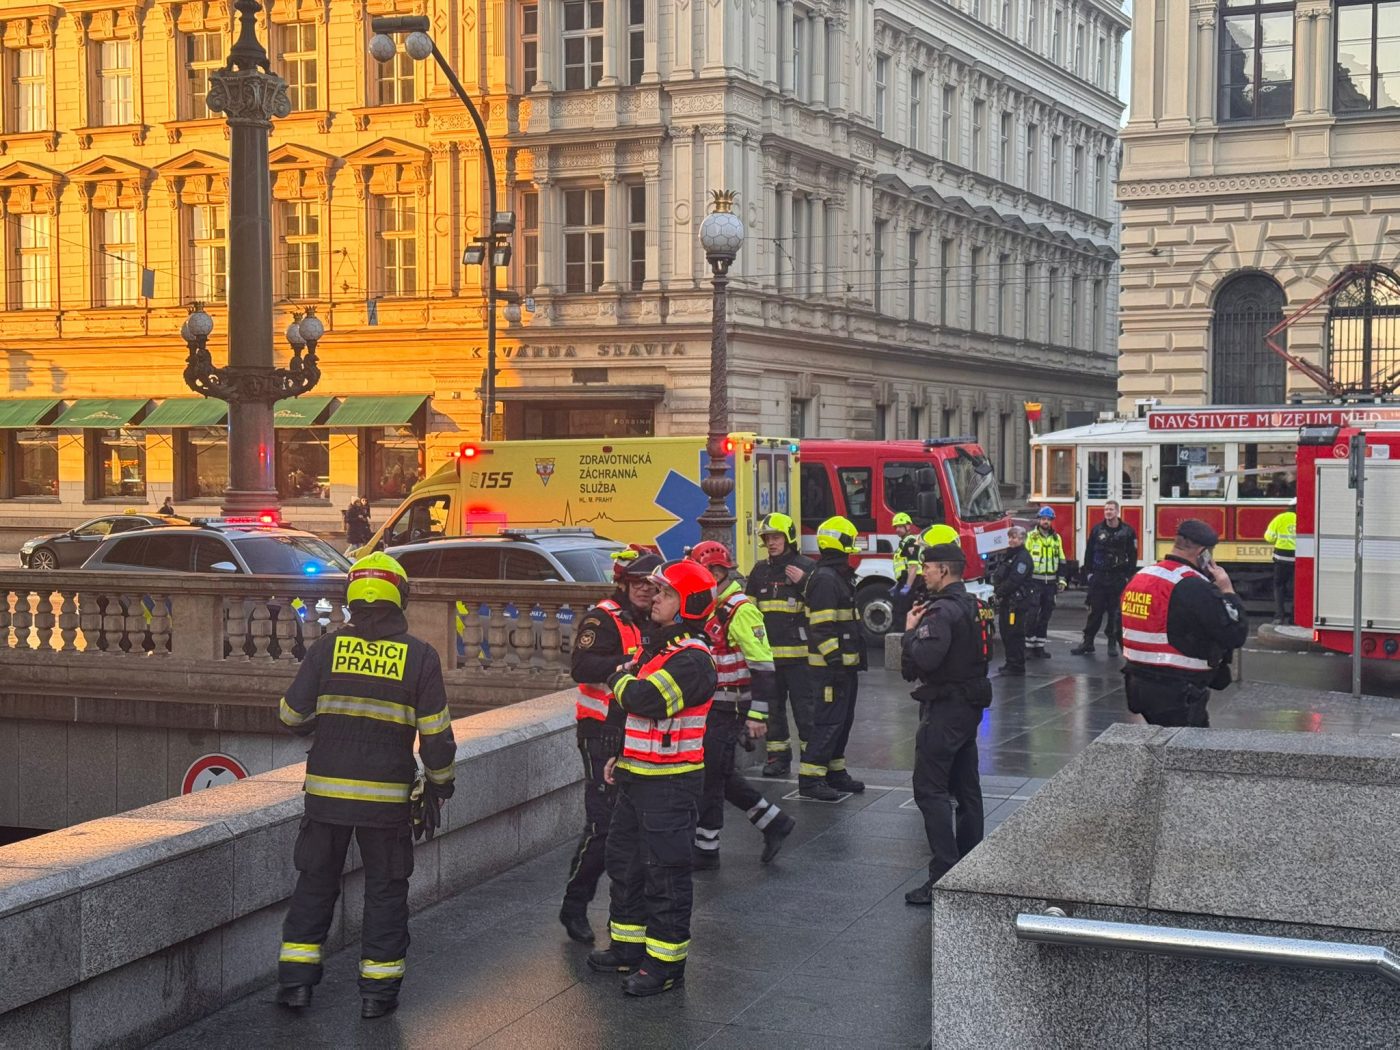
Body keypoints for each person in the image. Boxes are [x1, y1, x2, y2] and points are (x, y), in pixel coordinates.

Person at [275, 552, 456, 1019]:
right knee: (385, 890)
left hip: (325, 798)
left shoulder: (326, 648)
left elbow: (291, 716)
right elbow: (436, 738)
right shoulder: (419, 656)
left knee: (315, 884)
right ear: (401, 598)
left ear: (351, 598)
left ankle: (296, 985)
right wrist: (440, 785)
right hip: (386, 802)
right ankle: (377, 993)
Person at [588, 559, 718, 997]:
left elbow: (643, 699)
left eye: (665, 593)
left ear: (688, 606)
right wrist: (620, 757)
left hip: (671, 783)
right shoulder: (659, 650)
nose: (655, 597)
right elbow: (635, 714)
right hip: (637, 776)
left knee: (666, 874)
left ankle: (665, 965)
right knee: (625, 864)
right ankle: (628, 948)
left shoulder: (693, 660)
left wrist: (615, 679)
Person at [559, 548, 662, 945]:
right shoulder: (602, 618)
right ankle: (575, 904)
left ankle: (629, 910)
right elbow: (581, 669)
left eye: (652, 584)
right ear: (623, 583)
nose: (645, 589)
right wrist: (629, 662)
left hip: (635, 731)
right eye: (638, 583)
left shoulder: (654, 618)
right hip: (599, 731)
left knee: (632, 827)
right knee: (602, 826)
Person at [688, 541, 796, 869]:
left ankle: (706, 848)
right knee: (718, 771)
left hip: (730, 706)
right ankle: (774, 822)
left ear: (718, 573)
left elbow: (763, 663)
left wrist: (758, 715)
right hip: (713, 705)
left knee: (711, 773)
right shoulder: (710, 605)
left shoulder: (739, 608)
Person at [901, 542, 994, 905]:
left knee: (930, 789)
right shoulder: (976, 605)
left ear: (943, 570)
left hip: (945, 708)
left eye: (927, 567)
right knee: (966, 787)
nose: (922, 572)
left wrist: (910, 631)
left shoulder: (941, 611)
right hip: (970, 705)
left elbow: (925, 658)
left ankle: (943, 873)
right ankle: (970, 866)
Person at [1120, 520, 1249, 728]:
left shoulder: (1141, 577)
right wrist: (1227, 590)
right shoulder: (1193, 585)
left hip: (1137, 684)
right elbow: (1235, 634)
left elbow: (1123, 627)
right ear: (1202, 553)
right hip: (1179, 690)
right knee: (1189, 755)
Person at [799, 516, 867, 801]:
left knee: (842, 720)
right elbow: (821, 627)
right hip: (829, 669)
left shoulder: (834, 576)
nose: (853, 552)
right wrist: (836, 660)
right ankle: (811, 779)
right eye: (850, 545)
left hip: (843, 667)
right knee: (827, 722)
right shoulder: (826, 580)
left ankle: (834, 772)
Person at [745, 512, 815, 778]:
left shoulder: (805, 567)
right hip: (768, 658)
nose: (771, 543)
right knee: (773, 713)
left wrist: (804, 583)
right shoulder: (759, 571)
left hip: (800, 659)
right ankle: (778, 758)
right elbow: (748, 612)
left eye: (776, 537)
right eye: (767, 538)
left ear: (789, 538)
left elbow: (820, 603)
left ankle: (812, 762)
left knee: (805, 712)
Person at [1071, 501, 1139, 657]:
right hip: (1099, 576)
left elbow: (1133, 555)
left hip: (1117, 577)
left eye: (1111, 509)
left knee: (1115, 612)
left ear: (1117, 512)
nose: (1108, 512)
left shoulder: (1128, 531)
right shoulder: (1097, 530)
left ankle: (1112, 644)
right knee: (1095, 611)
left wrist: (1129, 575)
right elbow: (1089, 552)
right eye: (1106, 509)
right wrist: (1088, 573)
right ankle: (1088, 642)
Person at [992, 526, 1035, 676]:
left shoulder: (1022, 557)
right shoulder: (1010, 555)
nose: (1011, 540)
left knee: (1014, 634)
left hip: (1016, 603)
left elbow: (1015, 579)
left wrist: (999, 591)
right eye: (1010, 537)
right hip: (1008, 601)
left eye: (1014, 537)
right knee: (1006, 632)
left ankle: (1016, 664)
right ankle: (1010, 662)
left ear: (1022, 539)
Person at [1024, 507, 1067, 658]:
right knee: (1032, 613)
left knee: (1046, 614)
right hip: (1035, 581)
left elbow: (1061, 560)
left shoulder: (1056, 538)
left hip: (1051, 583)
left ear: (1051, 521)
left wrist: (1062, 580)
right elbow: (1025, 559)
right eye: (1043, 519)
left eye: (1048, 520)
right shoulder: (1031, 537)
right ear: (1039, 520)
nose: (1046, 522)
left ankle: (1040, 646)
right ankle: (1029, 646)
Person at [1265, 501, 1297, 625]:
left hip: (1281, 558)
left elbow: (1269, 537)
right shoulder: (1304, 518)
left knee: (1279, 586)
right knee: (1296, 588)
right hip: (1297, 559)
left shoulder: (1280, 518)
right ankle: (1294, 617)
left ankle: (1279, 616)